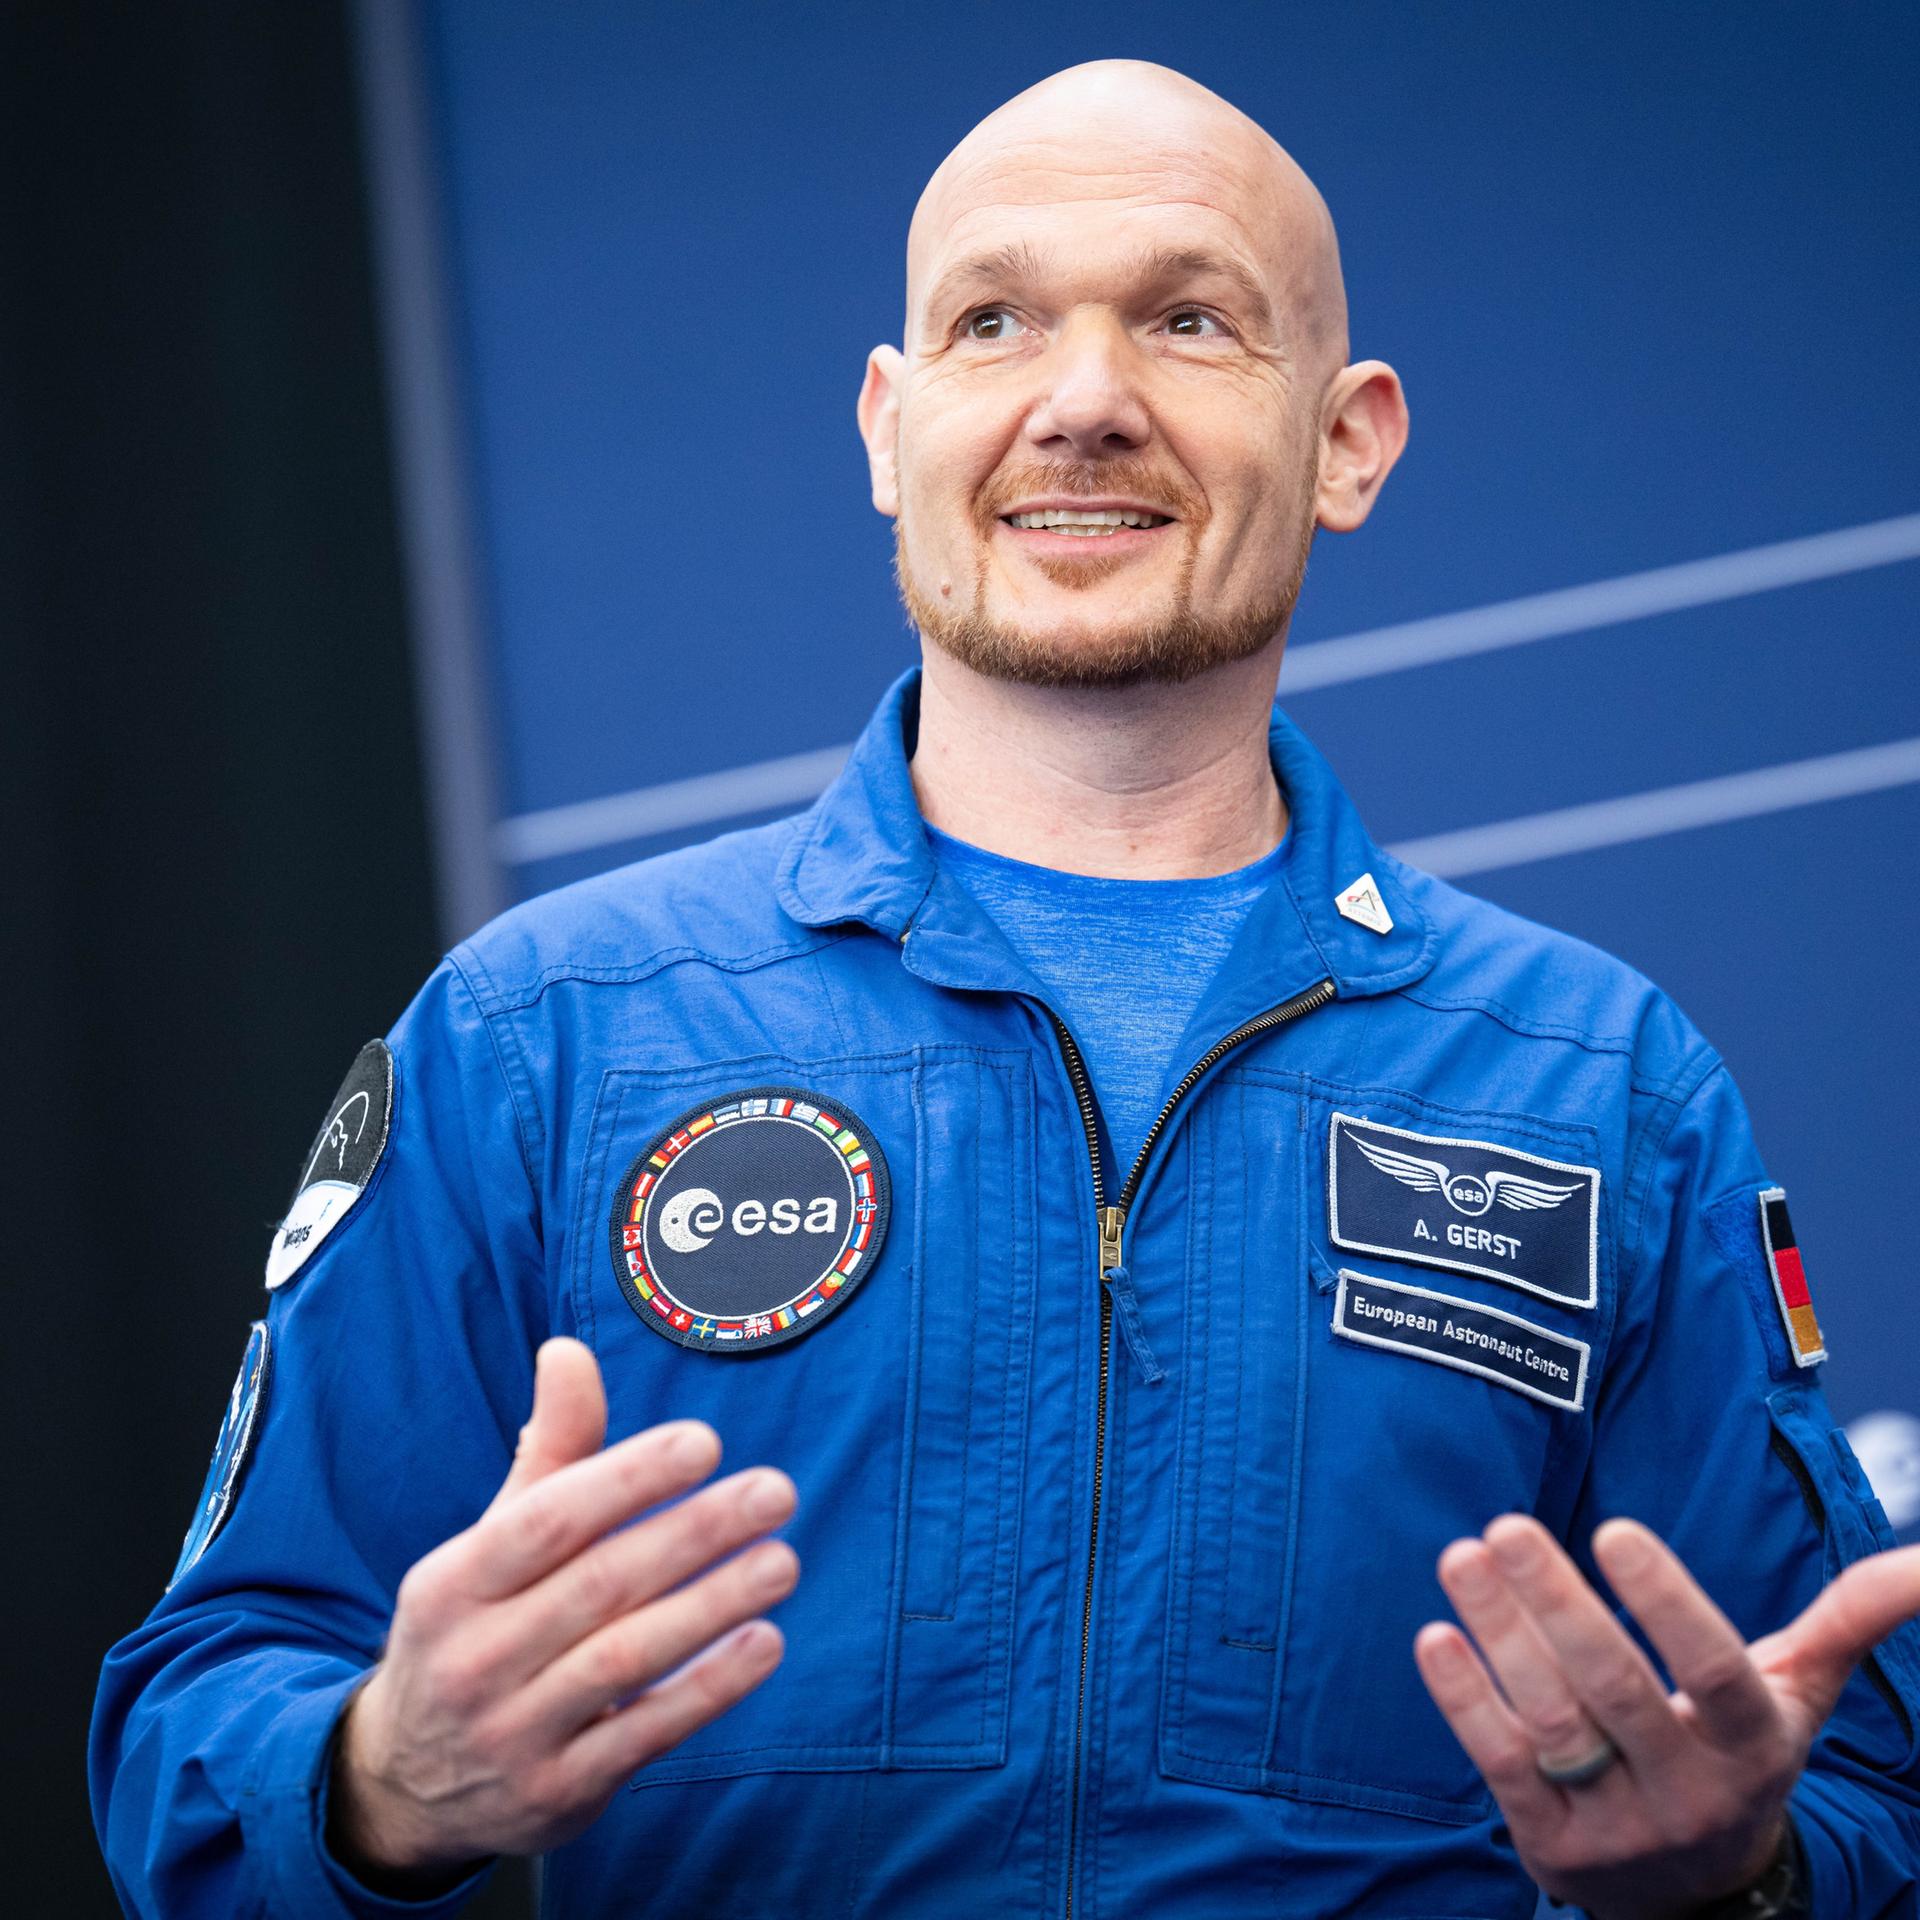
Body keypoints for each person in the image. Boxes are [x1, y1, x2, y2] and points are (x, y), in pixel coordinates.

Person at [91, 57, 1920, 1920]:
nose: (1086, 402)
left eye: (1192, 321)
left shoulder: (1597, 1083)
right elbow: (198, 1727)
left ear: (1348, 440)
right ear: (893, 428)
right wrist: (383, 1776)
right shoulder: (544, 1033)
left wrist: (1746, 1873)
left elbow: (1859, 1779)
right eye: (995, 322)